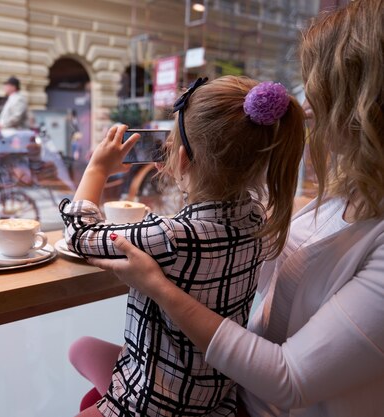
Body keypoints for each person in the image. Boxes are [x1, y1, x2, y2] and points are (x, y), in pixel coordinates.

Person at [85, 1, 384, 416]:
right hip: (225, 390)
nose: (308, 109)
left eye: (319, 92)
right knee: (86, 354)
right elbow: (243, 263)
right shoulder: (334, 196)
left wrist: (161, 285)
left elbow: (290, 379)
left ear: (362, 106)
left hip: (252, 403)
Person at [59, 75, 305, 417]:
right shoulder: (257, 221)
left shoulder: (169, 236)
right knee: (81, 349)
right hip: (216, 397)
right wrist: (185, 171)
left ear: (184, 159)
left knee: (79, 354)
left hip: (155, 405)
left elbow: (79, 234)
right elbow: (208, 226)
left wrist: (97, 169)